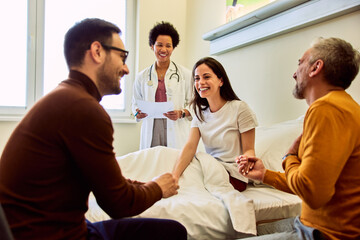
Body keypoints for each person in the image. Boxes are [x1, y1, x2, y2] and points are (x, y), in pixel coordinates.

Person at [0, 18, 187, 240]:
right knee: (172, 232)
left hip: (52, 227)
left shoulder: (67, 97)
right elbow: (119, 204)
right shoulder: (83, 109)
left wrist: (145, 185)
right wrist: (157, 188)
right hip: (53, 235)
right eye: (122, 56)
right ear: (97, 52)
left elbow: (107, 181)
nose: (126, 68)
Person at [237, 37, 360, 240]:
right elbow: (313, 181)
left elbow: (312, 193)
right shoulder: (346, 107)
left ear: (315, 68)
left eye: (300, 63)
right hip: (310, 224)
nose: (294, 73)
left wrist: (288, 157)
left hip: (322, 234)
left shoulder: (325, 108)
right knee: (248, 229)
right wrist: (264, 175)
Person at [172, 57, 258, 192]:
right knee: (166, 156)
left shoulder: (240, 108)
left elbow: (249, 150)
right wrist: (174, 176)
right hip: (211, 167)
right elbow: (190, 147)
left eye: (206, 77)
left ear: (221, 81)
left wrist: (246, 159)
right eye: (197, 78)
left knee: (193, 171)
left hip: (233, 175)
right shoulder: (199, 112)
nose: (201, 82)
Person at [132, 21, 192, 150]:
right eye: (159, 45)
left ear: (173, 48)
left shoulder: (185, 75)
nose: (163, 50)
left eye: (168, 46)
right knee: (152, 164)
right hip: (151, 128)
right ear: (152, 46)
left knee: (174, 165)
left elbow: (194, 103)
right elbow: (135, 103)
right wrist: (137, 113)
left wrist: (181, 113)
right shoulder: (141, 76)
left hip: (175, 126)